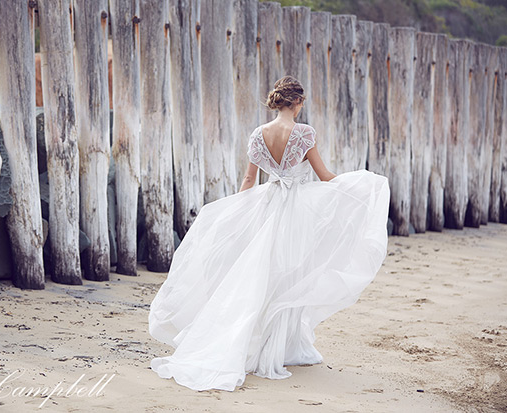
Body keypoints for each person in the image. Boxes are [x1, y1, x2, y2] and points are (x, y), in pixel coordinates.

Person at [148, 75, 390, 392]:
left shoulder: (258, 135)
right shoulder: (304, 134)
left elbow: (249, 181)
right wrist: (362, 185)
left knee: (261, 277)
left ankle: (265, 344)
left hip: (265, 207)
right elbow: (325, 176)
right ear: (298, 102)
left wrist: (236, 212)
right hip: (295, 212)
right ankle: (280, 349)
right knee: (289, 276)